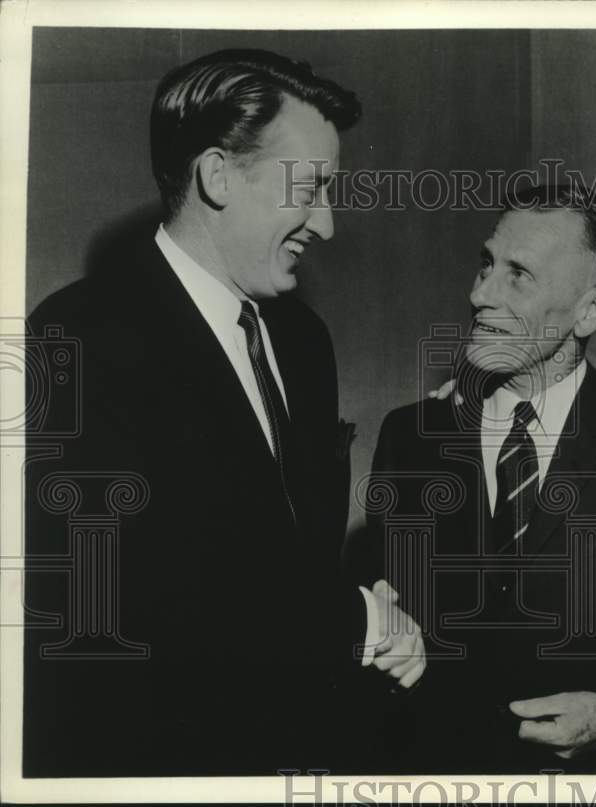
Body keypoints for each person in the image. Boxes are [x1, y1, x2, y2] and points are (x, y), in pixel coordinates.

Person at [23, 49, 425, 777]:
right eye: (312, 189)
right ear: (217, 176)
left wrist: (352, 616)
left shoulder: (304, 343)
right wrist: (360, 620)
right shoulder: (79, 336)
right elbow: (136, 599)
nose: (328, 225)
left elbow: (280, 558)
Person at [358, 185, 596, 773]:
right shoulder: (409, 438)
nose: (478, 294)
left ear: (590, 310)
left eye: (519, 274)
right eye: (486, 264)